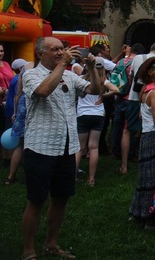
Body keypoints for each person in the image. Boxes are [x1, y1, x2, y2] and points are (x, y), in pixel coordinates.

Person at [21, 37, 102, 260]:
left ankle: (51, 243)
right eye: (54, 49)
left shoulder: (69, 75)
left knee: (61, 198)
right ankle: (28, 250)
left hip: (67, 147)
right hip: (40, 147)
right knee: (36, 200)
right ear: (40, 54)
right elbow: (43, 91)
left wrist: (93, 69)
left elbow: (95, 90)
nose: (60, 52)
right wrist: (62, 65)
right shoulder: (31, 74)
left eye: (61, 49)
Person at [128, 56, 155, 228]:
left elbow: (141, 115)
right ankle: (151, 218)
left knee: (145, 179)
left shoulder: (145, 89)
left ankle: (139, 212)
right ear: (150, 72)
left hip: (147, 136)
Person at [121, 41, 155, 175]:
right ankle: (138, 156)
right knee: (136, 129)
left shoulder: (138, 58)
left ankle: (124, 165)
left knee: (128, 130)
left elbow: (131, 77)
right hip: (146, 99)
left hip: (136, 97)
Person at [75, 58, 118, 187]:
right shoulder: (103, 81)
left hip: (82, 114)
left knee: (79, 148)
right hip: (98, 115)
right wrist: (103, 96)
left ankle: (72, 177)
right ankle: (91, 179)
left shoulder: (81, 78)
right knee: (93, 147)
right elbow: (116, 90)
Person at [5, 58, 29, 185]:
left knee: (20, 145)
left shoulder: (21, 74)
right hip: (30, 110)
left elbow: (17, 95)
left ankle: (10, 177)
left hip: (21, 110)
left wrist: (15, 112)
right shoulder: (34, 69)